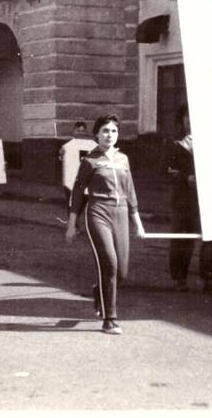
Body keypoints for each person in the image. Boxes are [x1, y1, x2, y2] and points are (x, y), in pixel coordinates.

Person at [65, 114, 146, 335]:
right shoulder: (89, 161)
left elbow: (130, 191)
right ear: (96, 135)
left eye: (113, 131)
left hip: (120, 214)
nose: (110, 135)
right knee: (109, 263)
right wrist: (72, 223)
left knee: (122, 273)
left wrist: (137, 222)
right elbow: (78, 192)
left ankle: (99, 290)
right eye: (105, 131)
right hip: (98, 213)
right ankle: (109, 319)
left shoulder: (123, 159)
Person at [167, 105, 212, 294]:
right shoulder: (174, 144)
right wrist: (185, 178)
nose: (190, 120)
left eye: (195, 116)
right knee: (182, 238)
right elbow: (164, 171)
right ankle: (180, 279)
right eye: (187, 116)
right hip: (183, 199)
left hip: (207, 197)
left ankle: (211, 279)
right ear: (182, 120)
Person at [59, 121, 94, 214]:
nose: (80, 133)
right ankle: (73, 222)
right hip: (71, 178)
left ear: (86, 132)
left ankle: (74, 220)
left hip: (84, 179)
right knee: (70, 201)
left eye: (83, 131)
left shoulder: (92, 145)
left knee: (84, 198)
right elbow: (61, 158)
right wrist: (61, 154)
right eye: (78, 130)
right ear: (74, 132)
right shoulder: (67, 146)